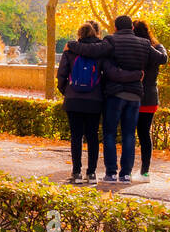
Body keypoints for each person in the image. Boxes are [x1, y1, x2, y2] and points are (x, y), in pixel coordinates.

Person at [66, 15, 153, 182]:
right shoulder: (145, 44)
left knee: (110, 134)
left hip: (115, 94)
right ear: (132, 28)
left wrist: (72, 44)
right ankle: (126, 174)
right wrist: (137, 74)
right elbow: (160, 58)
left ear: (115, 27)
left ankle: (111, 173)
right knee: (129, 134)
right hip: (134, 95)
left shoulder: (111, 41)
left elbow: (92, 50)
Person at [132, 19, 169, 181]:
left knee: (129, 134)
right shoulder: (156, 47)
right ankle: (144, 171)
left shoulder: (136, 48)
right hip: (149, 97)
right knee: (144, 134)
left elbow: (163, 58)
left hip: (132, 96)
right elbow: (164, 58)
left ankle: (127, 170)